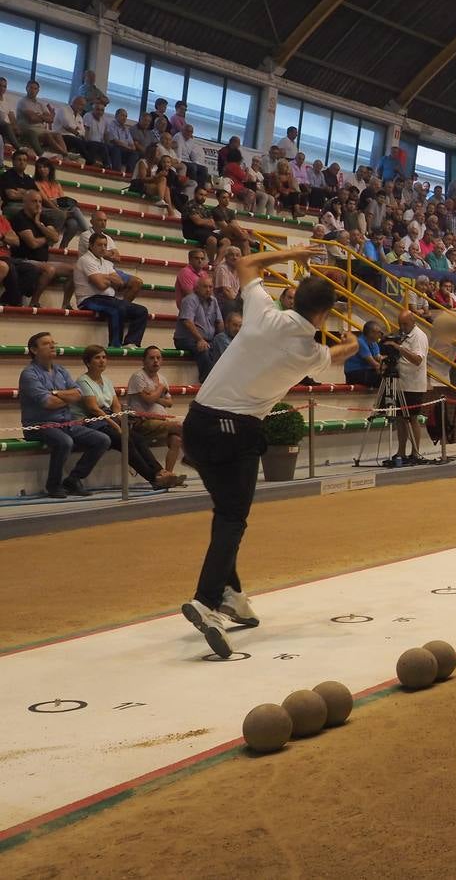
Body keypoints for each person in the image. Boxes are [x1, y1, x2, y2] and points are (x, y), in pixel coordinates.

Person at [181, 249, 358, 657]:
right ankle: (207, 602)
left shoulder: (263, 313)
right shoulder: (311, 351)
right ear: (324, 315)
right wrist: (352, 342)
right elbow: (332, 356)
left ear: (294, 297)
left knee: (225, 510)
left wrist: (297, 252)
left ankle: (230, 592)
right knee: (232, 517)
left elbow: (245, 263)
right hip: (236, 431)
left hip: (196, 423)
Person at [74, 344, 182, 489]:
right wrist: (116, 425)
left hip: (110, 418)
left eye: (104, 357)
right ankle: (154, 478)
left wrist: (120, 420)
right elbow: (93, 408)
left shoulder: (106, 380)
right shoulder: (83, 381)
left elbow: (116, 405)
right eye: (97, 358)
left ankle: (160, 472)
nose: (102, 361)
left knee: (137, 438)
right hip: (94, 421)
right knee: (126, 441)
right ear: (88, 362)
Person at [18, 331, 111, 497]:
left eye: (53, 342)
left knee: (102, 440)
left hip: (65, 423)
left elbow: (79, 394)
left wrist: (54, 393)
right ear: (34, 349)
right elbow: (48, 403)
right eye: (46, 343)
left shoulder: (61, 370)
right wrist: (66, 396)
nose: (52, 346)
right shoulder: (29, 374)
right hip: (39, 425)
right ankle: (53, 485)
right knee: (65, 442)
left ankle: (74, 479)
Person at [74, 232, 149, 348]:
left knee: (142, 311)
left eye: (105, 245)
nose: (103, 248)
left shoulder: (107, 262)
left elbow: (119, 282)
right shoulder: (86, 260)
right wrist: (109, 278)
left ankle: (131, 342)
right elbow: (100, 285)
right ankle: (115, 345)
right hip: (89, 300)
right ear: (91, 245)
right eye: (99, 245)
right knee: (118, 309)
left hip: (108, 299)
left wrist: (104, 277)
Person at [125, 346, 184, 478]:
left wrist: (154, 396)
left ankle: (168, 475)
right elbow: (148, 400)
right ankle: (191, 457)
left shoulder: (162, 378)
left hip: (161, 421)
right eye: (152, 358)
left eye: (158, 358)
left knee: (176, 440)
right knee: (180, 426)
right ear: (144, 361)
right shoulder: (138, 377)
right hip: (142, 423)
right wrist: (160, 390)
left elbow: (169, 403)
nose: (156, 361)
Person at [390, 310, 428, 465]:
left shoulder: (419, 336)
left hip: (414, 385)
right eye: (400, 324)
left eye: (405, 324)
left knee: (412, 418)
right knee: (400, 419)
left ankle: (415, 452)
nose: (402, 327)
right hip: (401, 383)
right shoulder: (402, 335)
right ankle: (401, 451)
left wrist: (398, 348)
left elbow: (417, 360)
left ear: (413, 321)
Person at [176, 273, 224, 380]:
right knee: (204, 350)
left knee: (223, 348)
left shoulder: (214, 301)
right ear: (196, 288)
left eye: (210, 287)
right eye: (205, 286)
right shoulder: (190, 300)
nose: (208, 289)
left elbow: (219, 322)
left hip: (207, 339)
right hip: (187, 339)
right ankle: (206, 383)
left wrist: (221, 339)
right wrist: (200, 339)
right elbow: (187, 322)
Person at [345, 321, 383, 387]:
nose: (380, 335)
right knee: (382, 378)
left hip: (366, 371)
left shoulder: (374, 343)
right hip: (354, 372)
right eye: (379, 332)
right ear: (371, 333)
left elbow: (378, 358)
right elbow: (374, 364)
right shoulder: (360, 342)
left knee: (383, 377)